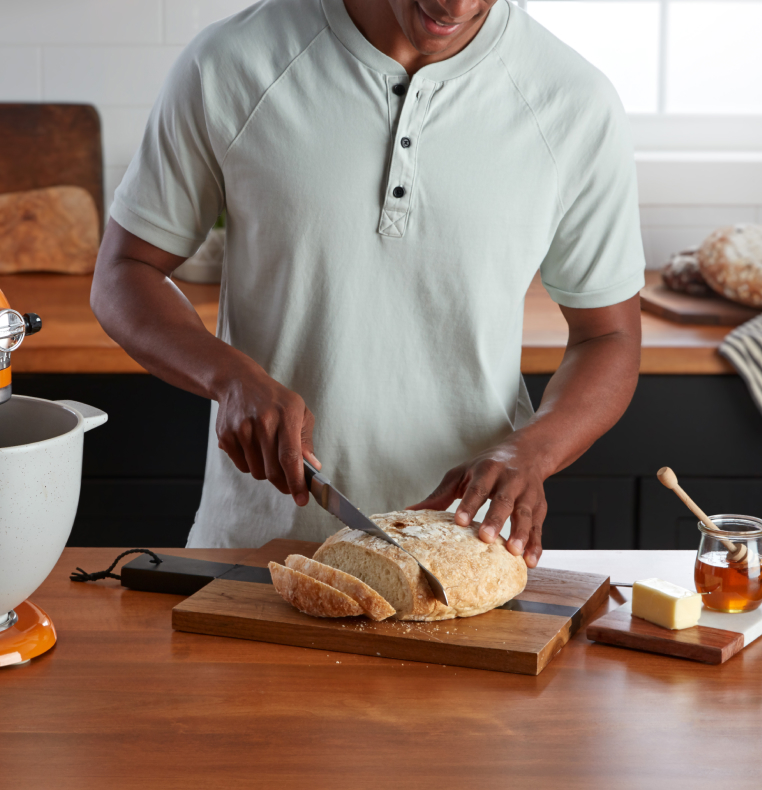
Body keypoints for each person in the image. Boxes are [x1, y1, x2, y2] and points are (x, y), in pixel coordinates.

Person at [91, 0, 643, 568]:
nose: (456, 6)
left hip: (463, 557)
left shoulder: (573, 101)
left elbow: (609, 337)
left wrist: (534, 449)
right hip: (260, 551)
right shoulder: (232, 63)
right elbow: (124, 271)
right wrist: (229, 377)